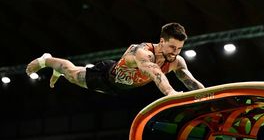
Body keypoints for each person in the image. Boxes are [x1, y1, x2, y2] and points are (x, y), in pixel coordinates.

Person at [26, 23, 204, 96]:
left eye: (179, 48)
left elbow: (191, 82)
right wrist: (171, 93)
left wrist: (209, 96)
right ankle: (47, 60)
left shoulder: (176, 61)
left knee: (72, 74)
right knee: (71, 73)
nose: (175, 52)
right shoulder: (143, 52)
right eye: (172, 47)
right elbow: (155, 73)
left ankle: (57, 69)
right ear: (162, 41)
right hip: (105, 77)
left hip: (120, 89)